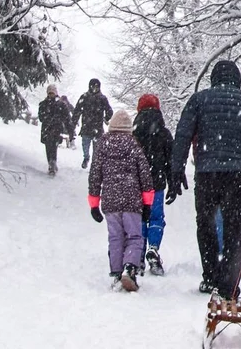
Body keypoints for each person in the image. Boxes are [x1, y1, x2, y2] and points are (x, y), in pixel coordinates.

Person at [169, 60, 241, 299]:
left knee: (206, 225)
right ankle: (228, 286)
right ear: (237, 79)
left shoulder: (199, 100)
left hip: (207, 174)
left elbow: (183, 134)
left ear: (214, 79)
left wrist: (176, 170)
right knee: (233, 230)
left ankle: (210, 278)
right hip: (239, 175)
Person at [88, 110, 154, 292]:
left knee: (115, 237)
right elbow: (145, 176)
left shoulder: (103, 144)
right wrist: (148, 202)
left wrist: (94, 203)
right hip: (132, 200)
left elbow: (95, 175)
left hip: (110, 201)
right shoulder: (134, 145)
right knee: (134, 236)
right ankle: (130, 267)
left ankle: (116, 272)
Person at [133, 94, 173, 276]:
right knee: (156, 218)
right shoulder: (164, 133)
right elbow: (172, 160)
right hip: (157, 183)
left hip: (137, 184)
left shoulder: (133, 133)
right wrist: (173, 181)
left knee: (140, 218)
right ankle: (154, 248)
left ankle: (139, 253)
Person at [72, 78, 114, 169]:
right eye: (93, 86)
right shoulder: (85, 97)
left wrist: (106, 118)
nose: (95, 88)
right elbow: (77, 111)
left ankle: (94, 164)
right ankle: (86, 158)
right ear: (89, 86)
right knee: (85, 146)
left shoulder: (102, 98)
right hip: (88, 127)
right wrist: (74, 122)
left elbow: (110, 111)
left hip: (96, 129)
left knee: (96, 150)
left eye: (97, 86)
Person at [37, 84, 72, 176]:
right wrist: (47, 118)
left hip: (56, 129)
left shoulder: (61, 104)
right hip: (47, 129)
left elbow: (67, 118)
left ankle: (52, 163)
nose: (51, 94)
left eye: (52, 93)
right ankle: (51, 163)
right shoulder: (43, 104)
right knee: (48, 147)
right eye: (50, 93)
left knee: (53, 147)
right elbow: (41, 117)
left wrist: (70, 130)